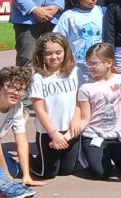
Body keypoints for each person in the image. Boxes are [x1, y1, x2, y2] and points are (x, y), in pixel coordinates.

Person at [75, 43, 121, 179]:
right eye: (88, 63)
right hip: (94, 136)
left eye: (94, 63)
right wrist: (71, 133)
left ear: (109, 63)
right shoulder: (86, 88)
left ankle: (114, 154)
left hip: (117, 136)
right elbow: (85, 117)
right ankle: (89, 154)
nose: (90, 67)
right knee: (100, 173)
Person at [29, 33, 83, 179]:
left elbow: (80, 101)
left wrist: (76, 121)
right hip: (48, 132)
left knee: (67, 170)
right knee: (47, 173)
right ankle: (27, 158)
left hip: (70, 130)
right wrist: (54, 134)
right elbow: (39, 109)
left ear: (66, 52)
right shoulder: (38, 78)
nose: (54, 57)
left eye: (58, 52)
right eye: (48, 54)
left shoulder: (75, 72)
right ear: (41, 55)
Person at [54, 0, 104, 83]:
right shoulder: (69, 16)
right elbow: (57, 39)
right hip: (78, 67)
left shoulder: (102, 12)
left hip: (100, 65)